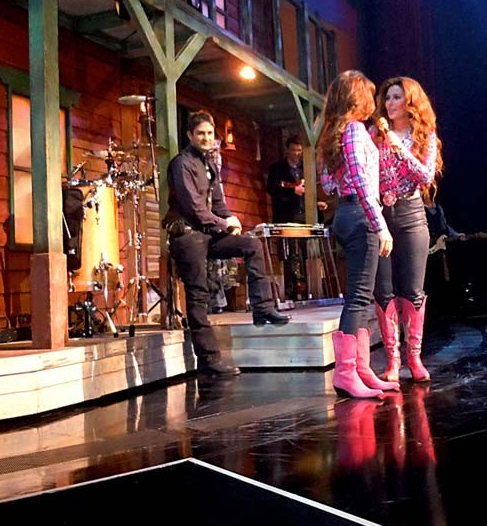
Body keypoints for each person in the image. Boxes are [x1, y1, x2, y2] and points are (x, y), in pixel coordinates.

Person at [163, 110, 290, 376]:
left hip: (208, 234)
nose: (206, 138)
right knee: (198, 294)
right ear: (190, 135)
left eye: (210, 133)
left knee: (251, 245)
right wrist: (223, 224)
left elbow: (218, 203)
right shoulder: (181, 164)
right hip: (187, 235)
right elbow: (194, 208)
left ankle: (262, 308)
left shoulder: (209, 164)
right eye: (200, 133)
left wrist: (231, 219)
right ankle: (209, 360)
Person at [318, 70, 400, 398]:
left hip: (346, 213)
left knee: (361, 297)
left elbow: (328, 184)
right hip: (360, 215)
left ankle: (361, 369)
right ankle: (346, 373)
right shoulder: (353, 130)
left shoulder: (335, 134)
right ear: (357, 98)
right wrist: (380, 225)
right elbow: (362, 183)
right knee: (357, 298)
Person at [371, 76, 443, 383]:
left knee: (412, 290)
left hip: (412, 213)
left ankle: (414, 358)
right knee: (384, 289)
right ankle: (393, 360)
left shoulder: (424, 136)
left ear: (410, 101)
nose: (390, 103)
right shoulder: (374, 135)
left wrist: (397, 145)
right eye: (387, 98)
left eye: (396, 97)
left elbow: (425, 175)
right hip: (380, 215)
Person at [266, 136, 328, 300]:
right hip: (286, 217)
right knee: (289, 256)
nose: (297, 153)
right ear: (287, 150)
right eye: (294, 150)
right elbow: (272, 189)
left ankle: (311, 292)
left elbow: (307, 192)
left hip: (304, 217)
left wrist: (316, 204)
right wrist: (292, 191)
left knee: (307, 254)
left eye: (299, 150)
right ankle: (290, 292)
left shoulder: (304, 169)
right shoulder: (278, 169)